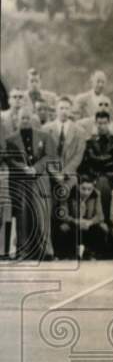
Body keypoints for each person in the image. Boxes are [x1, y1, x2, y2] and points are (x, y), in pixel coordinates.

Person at [5, 109, 58, 260]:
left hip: (40, 180)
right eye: (22, 118)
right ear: (17, 119)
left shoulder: (45, 136)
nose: (25, 120)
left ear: (33, 118)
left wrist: (35, 168)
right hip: (21, 181)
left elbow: (50, 156)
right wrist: (24, 168)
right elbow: (9, 158)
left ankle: (46, 251)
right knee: (23, 216)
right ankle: (24, 251)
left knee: (42, 215)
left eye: (28, 117)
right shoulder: (10, 139)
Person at [80, 110, 113, 218]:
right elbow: (89, 161)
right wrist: (110, 157)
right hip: (95, 176)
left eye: (105, 123)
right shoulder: (89, 142)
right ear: (95, 123)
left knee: (104, 183)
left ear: (109, 123)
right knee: (100, 183)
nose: (102, 126)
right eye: (99, 123)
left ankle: (108, 219)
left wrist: (99, 161)